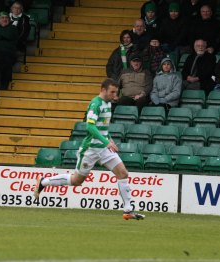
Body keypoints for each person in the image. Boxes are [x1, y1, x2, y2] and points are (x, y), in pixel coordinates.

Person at [33, 78, 145, 221]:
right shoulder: (95, 104)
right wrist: (106, 141)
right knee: (76, 181)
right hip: (90, 149)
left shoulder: (108, 104)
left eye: (116, 92)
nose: (114, 95)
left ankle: (128, 210)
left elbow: (102, 126)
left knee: (123, 173)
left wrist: (109, 140)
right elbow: (90, 126)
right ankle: (44, 182)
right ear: (103, 90)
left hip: (104, 149)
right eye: (112, 92)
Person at [0, 11, 18, 89]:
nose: (4, 19)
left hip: (8, 54)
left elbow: (8, 35)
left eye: (6, 18)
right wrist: (2, 36)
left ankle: (4, 86)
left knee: (5, 61)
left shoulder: (13, 28)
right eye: (2, 18)